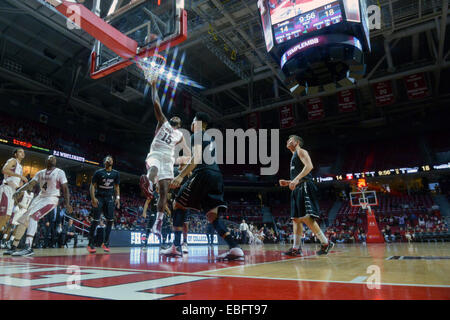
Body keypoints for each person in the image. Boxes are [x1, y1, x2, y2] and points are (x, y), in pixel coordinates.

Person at [163, 112, 244, 260]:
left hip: (203, 174)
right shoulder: (211, 138)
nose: (192, 125)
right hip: (216, 175)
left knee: (178, 204)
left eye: (193, 122)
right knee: (212, 215)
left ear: (197, 122)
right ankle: (235, 248)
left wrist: (180, 176)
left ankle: (175, 247)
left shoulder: (197, 135)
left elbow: (197, 158)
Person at [139, 79, 190, 239]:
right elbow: (155, 102)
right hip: (158, 153)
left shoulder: (179, 134)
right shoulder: (164, 122)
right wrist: (153, 85)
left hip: (167, 158)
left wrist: (185, 164)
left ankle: (158, 223)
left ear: (179, 124)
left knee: (163, 193)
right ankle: (148, 182)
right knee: (156, 177)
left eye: (177, 117)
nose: (174, 117)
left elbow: (186, 152)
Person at [5, 155, 72, 257]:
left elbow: (65, 188)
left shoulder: (59, 172)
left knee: (33, 216)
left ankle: (28, 247)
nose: (52, 159)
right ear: (47, 161)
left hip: (51, 198)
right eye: (50, 158)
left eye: (54, 158)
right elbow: (31, 184)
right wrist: (19, 190)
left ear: (56, 161)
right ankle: (14, 246)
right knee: (24, 220)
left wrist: (67, 203)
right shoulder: (40, 172)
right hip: (39, 198)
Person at [279, 135, 334, 256]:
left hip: (304, 186)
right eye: (287, 139)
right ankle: (296, 248)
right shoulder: (293, 156)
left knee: (306, 217)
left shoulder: (301, 151)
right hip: (298, 187)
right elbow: (299, 176)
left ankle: (325, 243)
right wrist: (288, 182)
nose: (288, 141)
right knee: (296, 219)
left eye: (290, 139)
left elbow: (309, 166)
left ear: (297, 142)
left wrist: (295, 180)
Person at [87, 155, 120, 253]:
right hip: (99, 197)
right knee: (95, 220)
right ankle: (90, 244)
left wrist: (118, 198)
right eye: (107, 159)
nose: (109, 160)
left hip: (109, 198)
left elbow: (117, 187)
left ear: (112, 162)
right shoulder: (98, 172)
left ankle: (105, 243)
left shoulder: (116, 173)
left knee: (110, 221)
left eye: (110, 159)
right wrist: (93, 198)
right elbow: (92, 186)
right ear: (104, 162)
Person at [0, 148, 28, 237]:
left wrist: (22, 184)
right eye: (20, 152)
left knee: (7, 217)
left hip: (12, 191)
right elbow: (4, 170)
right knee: (3, 216)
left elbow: (17, 182)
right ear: (15, 154)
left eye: (23, 152)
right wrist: (20, 176)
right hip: (6, 188)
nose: (22, 153)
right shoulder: (13, 161)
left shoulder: (20, 167)